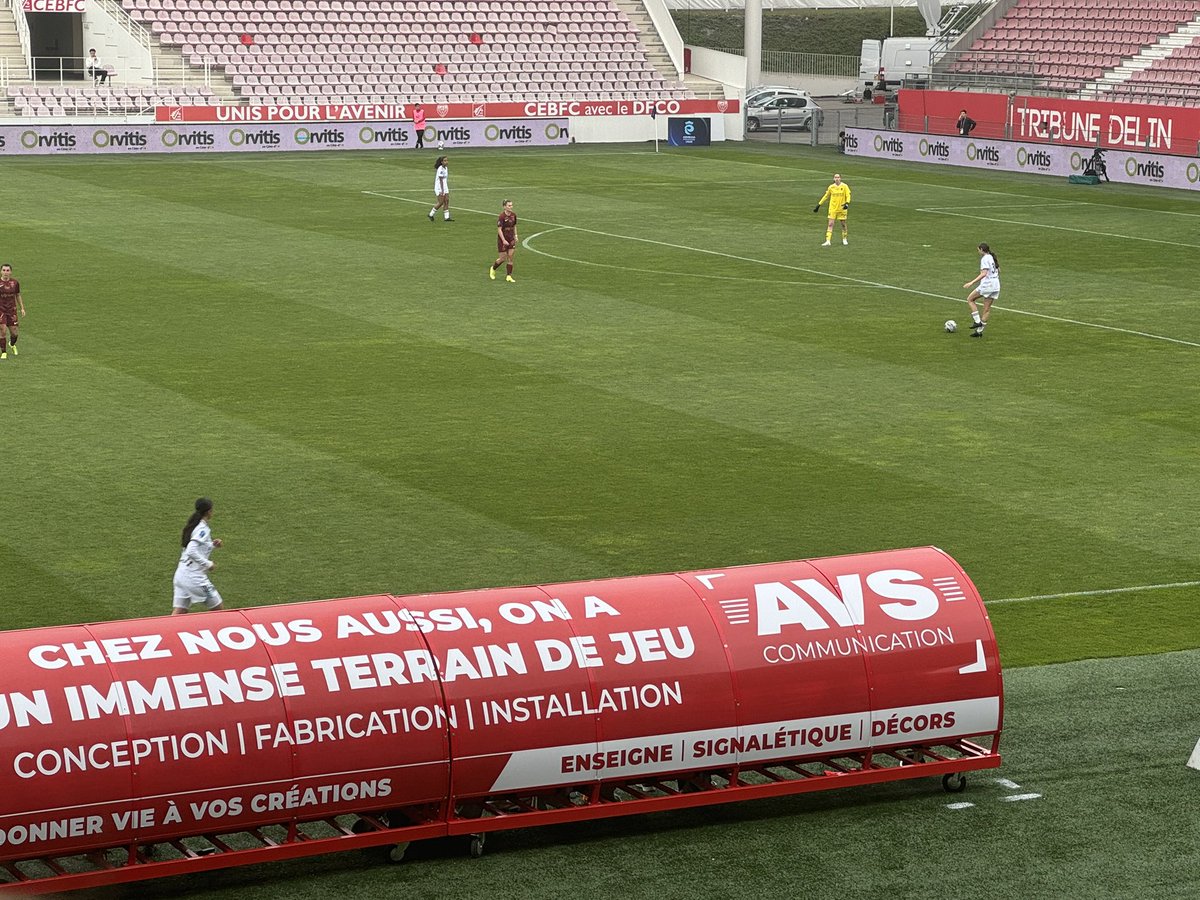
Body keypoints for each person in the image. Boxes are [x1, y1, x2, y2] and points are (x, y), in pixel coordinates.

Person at [172, 497, 224, 615]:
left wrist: (212, 545)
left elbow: (195, 547)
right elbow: (191, 550)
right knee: (219, 611)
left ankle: (165, 631)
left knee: (179, 612)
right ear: (209, 511)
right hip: (194, 578)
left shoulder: (193, 526)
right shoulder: (202, 529)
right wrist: (208, 564)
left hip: (181, 575)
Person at [963, 242, 1000, 337]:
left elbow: (984, 273)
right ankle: (979, 332)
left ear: (982, 250)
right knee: (986, 309)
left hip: (987, 285)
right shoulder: (992, 257)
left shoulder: (984, 259)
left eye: (978, 250)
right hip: (996, 284)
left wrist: (971, 282)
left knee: (970, 299)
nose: (978, 251)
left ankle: (977, 321)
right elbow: (998, 270)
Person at [813, 173, 851, 247]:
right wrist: (819, 204)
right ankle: (828, 241)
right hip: (833, 208)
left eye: (838, 177)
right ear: (833, 179)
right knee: (830, 224)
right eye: (835, 177)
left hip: (842, 208)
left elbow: (848, 195)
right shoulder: (831, 187)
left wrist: (847, 203)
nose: (837, 179)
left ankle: (844, 239)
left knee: (843, 224)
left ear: (840, 178)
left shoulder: (845, 186)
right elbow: (826, 196)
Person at [0, 264, 26, 361]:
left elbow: (18, 295)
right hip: (1, 310)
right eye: (4, 270)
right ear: (1, 271)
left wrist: (22, 308)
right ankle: (3, 352)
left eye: (7, 270)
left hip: (12, 310)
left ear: (10, 272)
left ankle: (11, 344)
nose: (6, 272)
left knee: (14, 333)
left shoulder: (15, 283)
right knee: (2, 330)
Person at [489, 199, 518, 283]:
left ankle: (509, 276)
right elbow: (499, 229)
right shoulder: (501, 217)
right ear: (504, 207)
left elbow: (514, 226)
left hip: (511, 238)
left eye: (511, 205)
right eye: (509, 205)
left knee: (510, 256)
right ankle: (493, 268)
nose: (511, 207)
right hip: (503, 239)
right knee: (502, 258)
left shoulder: (514, 215)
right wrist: (503, 240)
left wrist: (516, 235)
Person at [428, 156, 452, 222]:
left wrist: (445, 188)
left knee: (446, 200)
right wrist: (442, 190)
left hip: (445, 186)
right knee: (441, 202)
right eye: (445, 161)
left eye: (447, 160)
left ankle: (447, 217)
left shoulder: (446, 168)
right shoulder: (440, 169)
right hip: (439, 187)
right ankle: (430, 214)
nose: (446, 162)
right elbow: (441, 180)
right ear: (441, 162)